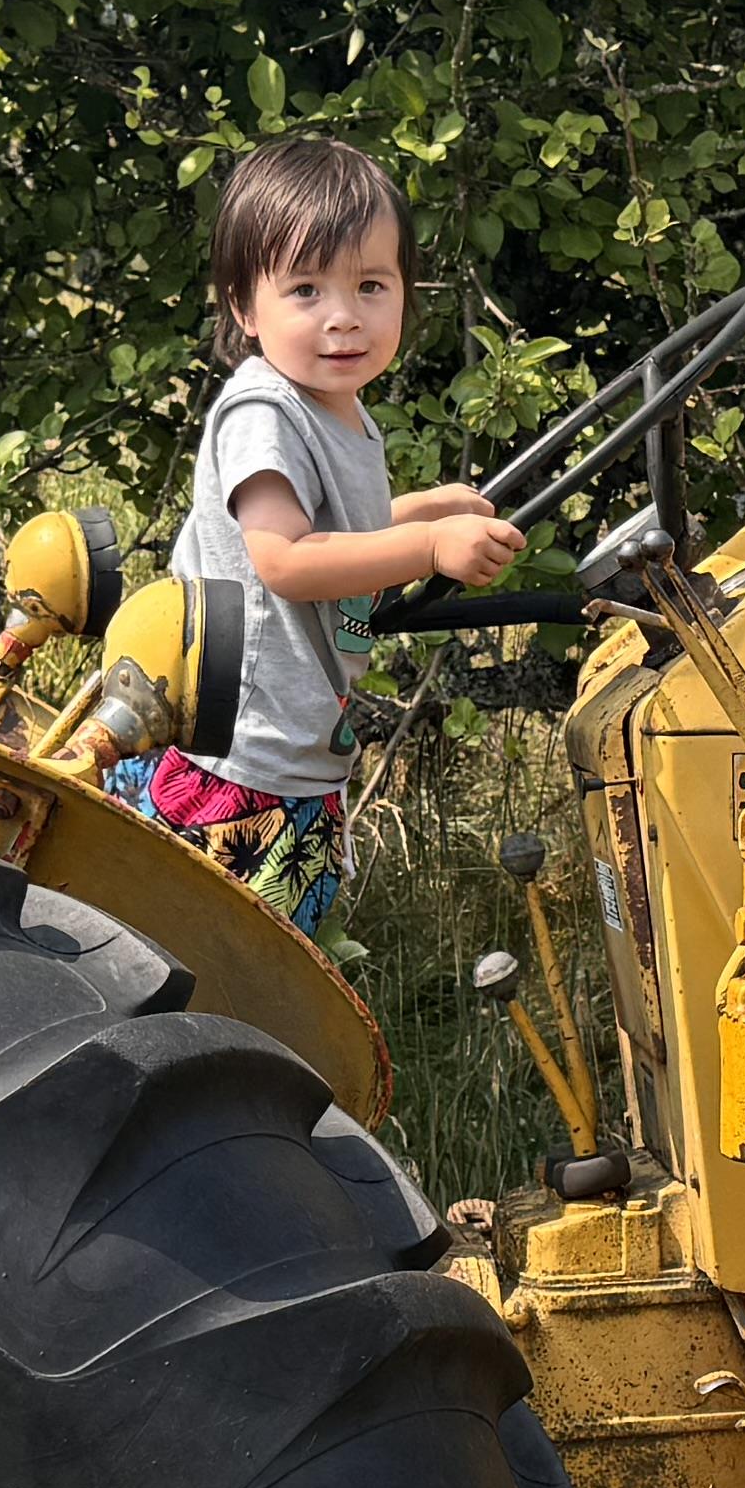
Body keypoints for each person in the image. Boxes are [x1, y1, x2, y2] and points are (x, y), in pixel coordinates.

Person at [142, 134, 524, 925]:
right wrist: (425, 548)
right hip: (240, 755)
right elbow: (283, 557)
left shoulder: (336, 409)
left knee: (281, 951)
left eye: (372, 286)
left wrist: (421, 511)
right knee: (234, 957)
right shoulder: (263, 412)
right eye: (307, 290)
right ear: (245, 307)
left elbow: (336, 530)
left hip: (295, 744)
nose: (344, 318)